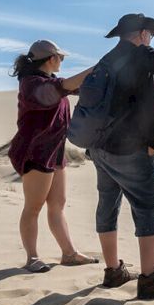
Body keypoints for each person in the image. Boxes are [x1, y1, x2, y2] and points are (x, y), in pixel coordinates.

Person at [88, 13, 154, 299]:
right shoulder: (141, 55)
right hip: (130, 147)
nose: (151, 39)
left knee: (108, 202)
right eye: (150, 35)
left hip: (99, 147)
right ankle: (149, 278)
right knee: (151, 205)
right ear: (142, 34)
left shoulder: (107, 59)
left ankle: (113, 271)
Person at [8, 40, 98, 273]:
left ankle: (69, 254)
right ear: (51, 59)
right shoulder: (31, 84)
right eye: (61, 57)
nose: (62, 61)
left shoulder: (49, 82)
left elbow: (75, 86)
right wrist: (95, 68)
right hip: (35, 152)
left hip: (55, 151)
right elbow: (64, 86)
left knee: (57, 204)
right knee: (34, 206)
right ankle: (32, 258)